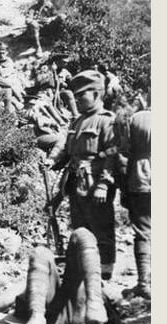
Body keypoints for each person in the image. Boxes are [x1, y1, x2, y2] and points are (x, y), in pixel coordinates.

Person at [44, 70, 120, 280]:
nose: (76, 99)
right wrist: (52, 159)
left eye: (81, 95)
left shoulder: (107, 121)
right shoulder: (77, 122)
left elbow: (113, 155)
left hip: (96, 183)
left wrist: (105, 184)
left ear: (96, 94)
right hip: (76, 182)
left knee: (101, 228)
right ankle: (84, 271)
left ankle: (104, 273)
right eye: (75, 95)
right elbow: (65, 146)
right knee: (80, 227)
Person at [0, 228, 108, 324]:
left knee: (82, 234)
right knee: (40, 251)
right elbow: (0, 303)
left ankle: (94, 302)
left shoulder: (86, 270)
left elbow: (114, 297)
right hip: (47, 314)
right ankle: (37, 318)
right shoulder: (40, 271)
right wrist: (33, 279)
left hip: (79, 307)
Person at [118, 95, 151, 299]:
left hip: (140, 177)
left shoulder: (136, 119)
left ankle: (144, 283)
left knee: (144, 231)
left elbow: (123, 154)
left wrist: (123, 187)